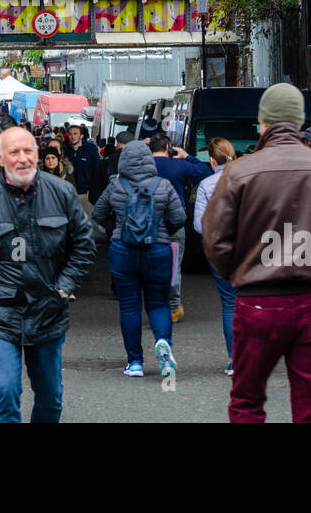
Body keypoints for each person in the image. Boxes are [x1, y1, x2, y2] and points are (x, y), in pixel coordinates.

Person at [201, 83, 311, 424]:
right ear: (298, 122)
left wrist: (242, 271)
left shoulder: (238, 172)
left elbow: (215, 239)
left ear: (262, 123)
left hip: (257, 301)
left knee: (247, 401)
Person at [0, 127, 96, 423]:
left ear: (39, 154)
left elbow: (84, 247)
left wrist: (63, 287)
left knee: (50, 396)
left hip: (48, 311)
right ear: (1, 157)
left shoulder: (62, 192)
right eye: (14, 153)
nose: (23, 159)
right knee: (4, 393)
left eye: (28, 151)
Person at [92, 140, 186, 379]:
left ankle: (134, 362)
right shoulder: (163, 185)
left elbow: (98, 213)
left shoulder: (116, 186)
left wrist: (116, 228)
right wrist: (162, 230)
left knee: (129, 306)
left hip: (123, 250)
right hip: (158, 251)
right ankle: (163, 344)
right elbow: (179, 217)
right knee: (158, 303)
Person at [148, 132, 211, 321]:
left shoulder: (143, 166)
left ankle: (155, 307)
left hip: (148, 225)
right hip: (174, 224)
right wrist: (187, 156)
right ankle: (173, 308)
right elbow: (206, 172)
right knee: (174, 266)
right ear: (168, 148)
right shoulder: (179, 165)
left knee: (151, 267)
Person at [192, 136, 239, 375]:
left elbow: (200, 225)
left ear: (212, 160)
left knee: (230, 303)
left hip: (219, 250)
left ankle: (235, 360)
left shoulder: (207, 185)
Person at [65, 124, 100, 206]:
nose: (72, 137)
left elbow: (97, 172)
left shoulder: (90, 151)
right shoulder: (65, 151)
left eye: (75, 134)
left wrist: (92, 191)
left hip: (85, 194)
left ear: (81, 136)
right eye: (70, 134)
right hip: (67, 193)